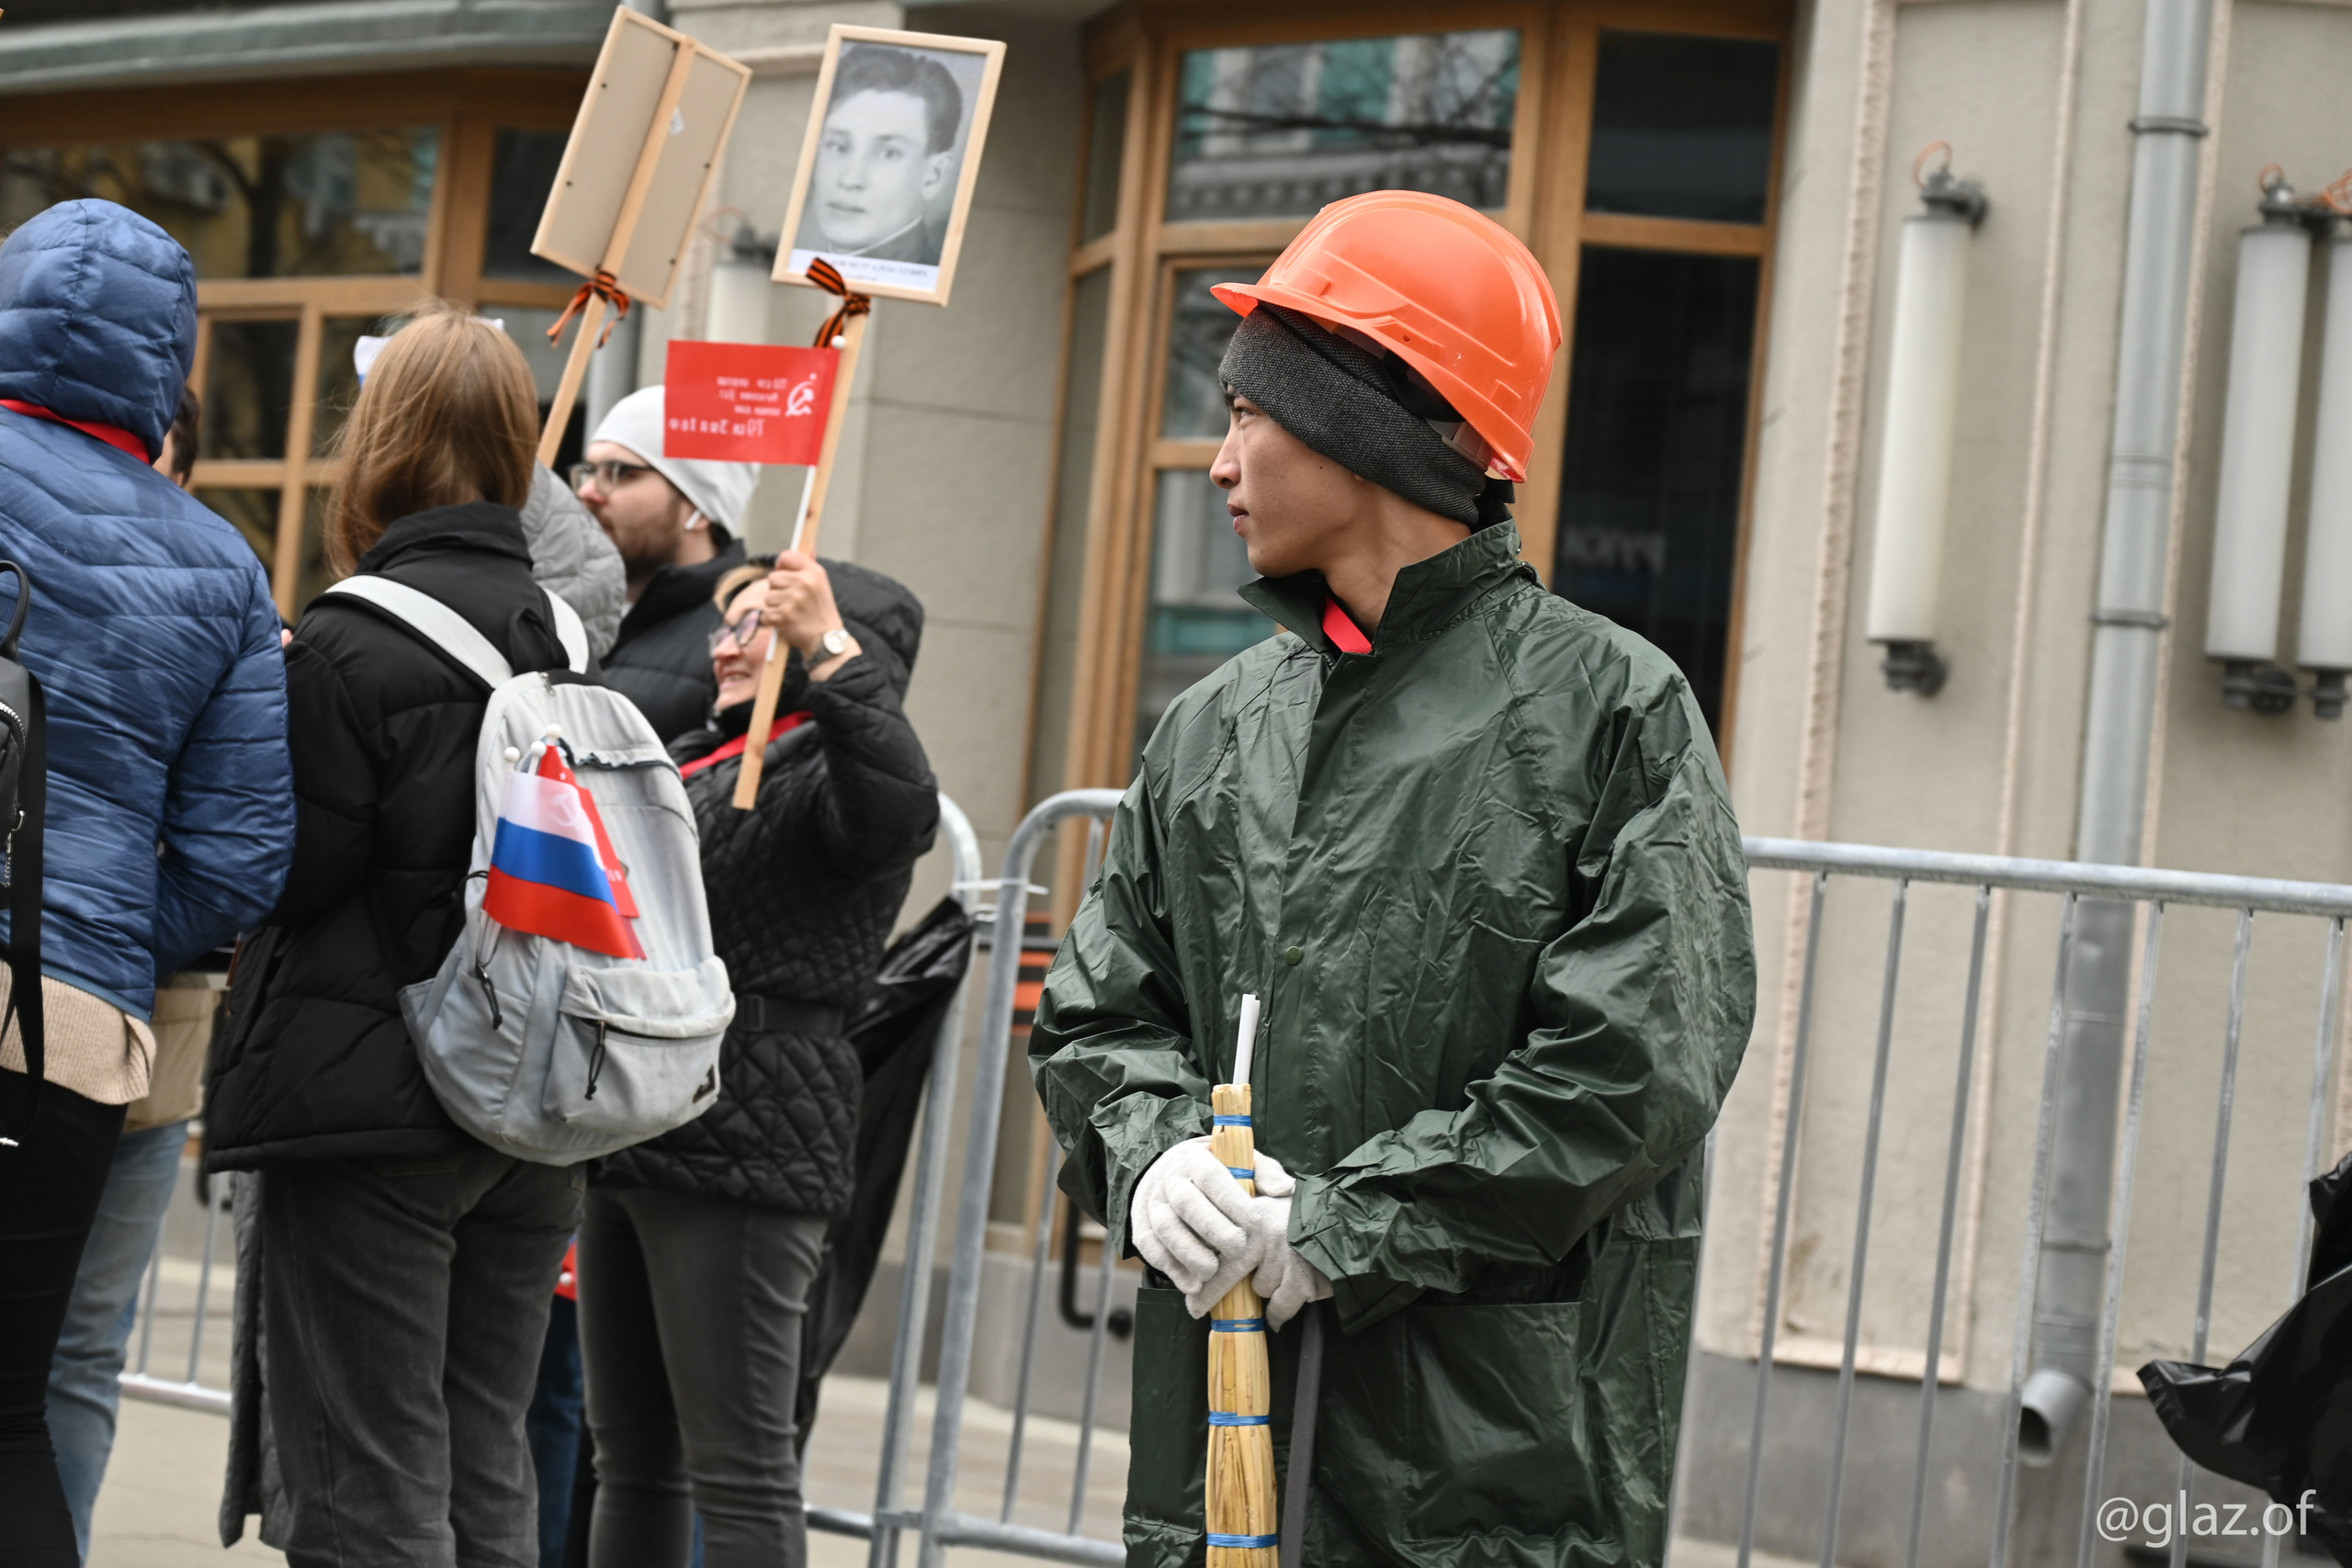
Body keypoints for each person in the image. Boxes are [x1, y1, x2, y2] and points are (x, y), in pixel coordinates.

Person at [1027, 190, 1757, 1568]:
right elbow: (1097, 1016)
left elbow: (1633, 1068)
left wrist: (1345, 1226)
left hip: (1487, 1462)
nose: (1217, 459)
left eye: (1248, 412)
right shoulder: (1215, 722)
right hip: (1220, 1450)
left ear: (1366, 426)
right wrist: (1151, 1159)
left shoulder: (1612, 711)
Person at [204, 303, 586, 1565]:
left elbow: (295, 870)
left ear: (382, 438)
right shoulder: (567, 635)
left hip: (374, 1102)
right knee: (487, 1458)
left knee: (366, 1479)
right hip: (531, 1107)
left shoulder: (350, 635)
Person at [0, 199, 296, 1564]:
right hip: (59, 1030)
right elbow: (240, 852)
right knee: (13, 1414)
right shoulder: (222, 566)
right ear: (164, 364)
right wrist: (101, 931)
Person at [579, 548, 936, 1568]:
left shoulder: (837, 773)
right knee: (631, 1465)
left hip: (750, 1145)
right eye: (727, 625)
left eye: (755, 626)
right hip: (642, 1126)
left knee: (739, 1472)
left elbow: (900, 804)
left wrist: (826, 646)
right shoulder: (708, 755)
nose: (725, 646)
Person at [42, 387, 239, 1558]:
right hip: (71, 1010)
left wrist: (111, 927)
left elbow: (238, 852)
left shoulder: (218, 606)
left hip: (144, 1035)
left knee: (80, 1350)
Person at [576, 387, 758, 741]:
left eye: (618, 472)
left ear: (699, 509)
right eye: (589, 470)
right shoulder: (554, 609)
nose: (588, 492)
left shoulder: (737, 641)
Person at [801, 44, 962, 265]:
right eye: (838, 147)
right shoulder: (806, 266)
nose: (850, 180)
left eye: (888, 153)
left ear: (934, 176)